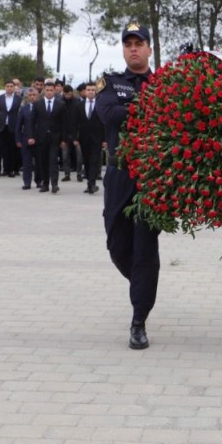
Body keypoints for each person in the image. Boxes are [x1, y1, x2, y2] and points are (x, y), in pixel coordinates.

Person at [96, 22, 160, 350]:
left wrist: (131, 108)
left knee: (145, 247)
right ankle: (142, 284)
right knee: (117, 245)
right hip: (119, 173)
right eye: (128, 44)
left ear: (149, 48)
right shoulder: (111, 82)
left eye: (139, 43)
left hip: (151, 177)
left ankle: (139, 319)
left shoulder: (164, 83)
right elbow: (107, 114)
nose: (133, 48)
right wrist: (147, 106)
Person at [30, 80, 67, 194]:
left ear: (54, 91)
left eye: (51, 90)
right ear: (44, 91)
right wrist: (32, 136)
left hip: (55, 138)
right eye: (47, 90)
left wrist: (64, 139)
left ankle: (54, 184)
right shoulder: (38, 104)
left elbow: (64, 123)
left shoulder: (61, 104)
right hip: (41, 137)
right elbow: (32, 122)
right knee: (43, 161)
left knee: (53, 161)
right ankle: (45, 184)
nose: (49, 92)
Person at [75, 82, 104, 194]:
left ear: (96, 91)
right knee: (86, 161)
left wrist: (105, 139)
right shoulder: (79, 105)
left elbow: (104, 123)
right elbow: (75, 123)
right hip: (84, 138)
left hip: (97, 138)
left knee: (94, 160)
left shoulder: (100, 105)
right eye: (89, 90)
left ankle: (92, 184)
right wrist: (75, 137)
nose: (91, 92)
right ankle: (89, 183)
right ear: (85, 91)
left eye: (93, 90)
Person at [0, 80, 22, 178]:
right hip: (1, 126)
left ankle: (10, 170)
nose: (9, 88)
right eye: (7, 86)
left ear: (14, 87)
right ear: (4, 87)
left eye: (11, 86)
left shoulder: (18, 99)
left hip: (12, 126)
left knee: (11, 149)